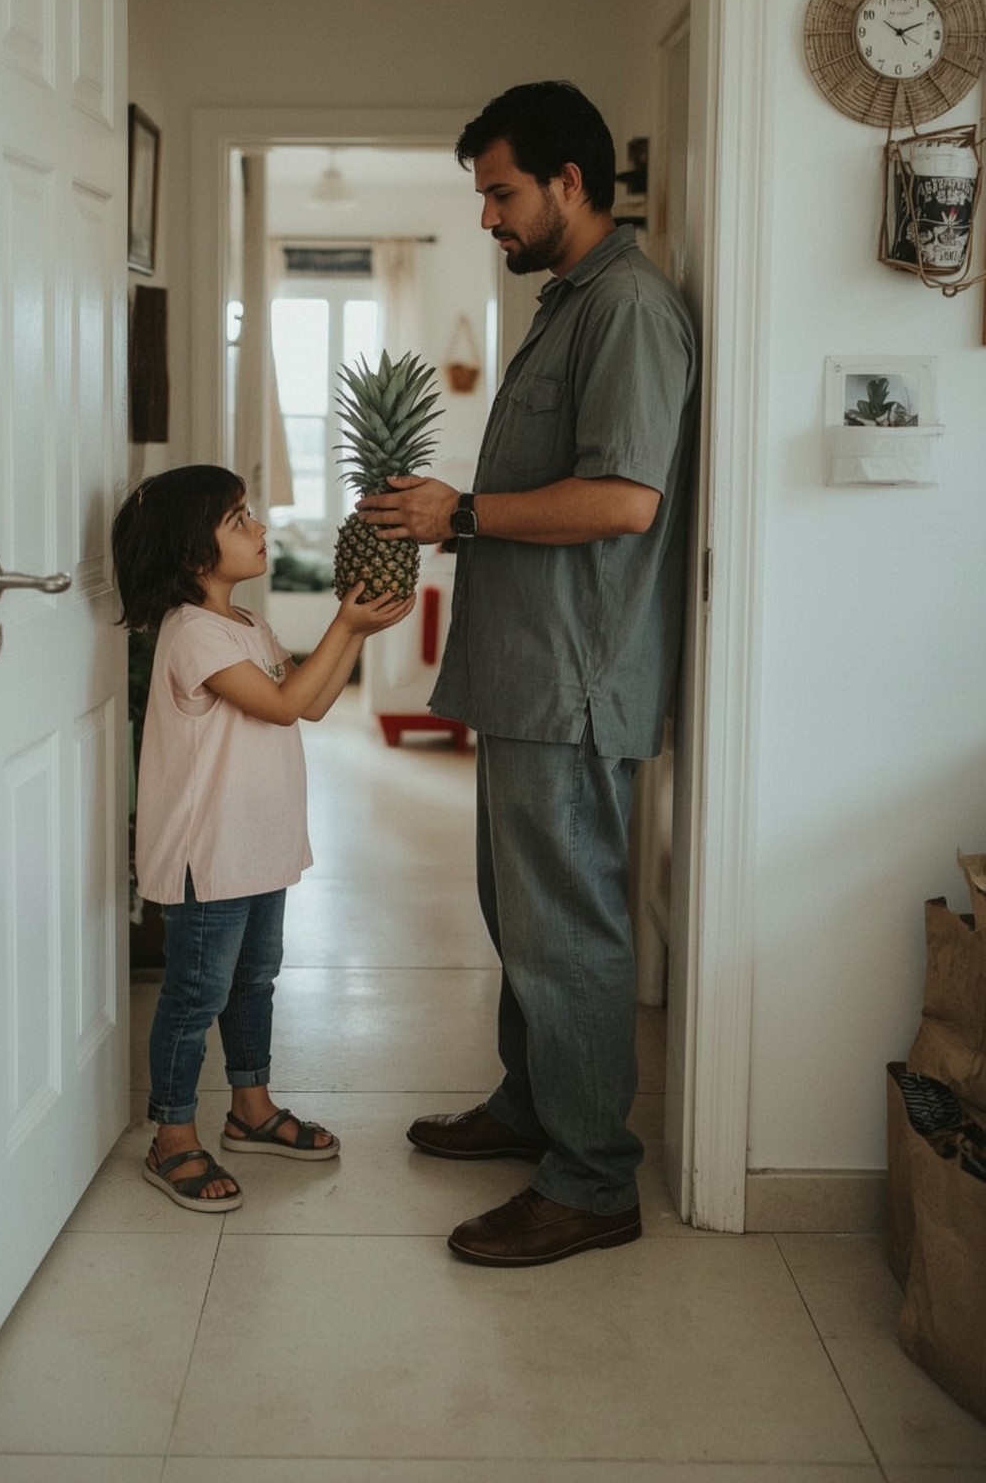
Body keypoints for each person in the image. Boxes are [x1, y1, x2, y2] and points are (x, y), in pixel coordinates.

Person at [357, 81, 698, 1266]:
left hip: (573, 675)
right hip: (527, 670)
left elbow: (624, 499)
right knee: (521, 914)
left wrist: (461, 513)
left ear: (569, 181)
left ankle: (593, 1179)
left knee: (568, 933)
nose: (488, 217)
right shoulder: (570, 302)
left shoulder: (631, 310)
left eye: (501, 193)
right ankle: (532, 1105)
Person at [112, 465, 413, 1211]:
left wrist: (356, 631)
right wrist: (345, 625)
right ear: (193, 552)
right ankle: (171, 1135)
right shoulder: (192, 634)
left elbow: (311, 703)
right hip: (210, 854)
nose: (260, 527)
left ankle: (250, 1107)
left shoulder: (246, 623)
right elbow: (281, 705)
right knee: (195, 995)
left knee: (253, 980)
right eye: (238, 519)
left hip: (256, 846)